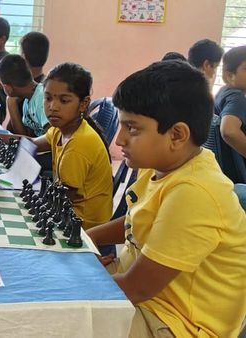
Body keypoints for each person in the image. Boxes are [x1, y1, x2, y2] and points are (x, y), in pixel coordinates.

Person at [87, 60, 246, 337]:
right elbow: (139, 217)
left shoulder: (195, 192)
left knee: (56, 316)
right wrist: (85, 238)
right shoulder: (160, 166)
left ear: (176, 135)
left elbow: (137, 288)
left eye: (132, 129)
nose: (120, 139)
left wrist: (73, 285)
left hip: (176, 324)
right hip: (146, 295)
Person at [32, 62, 113, 229]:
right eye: (48, 98)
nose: (52, 107)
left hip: (83, 227)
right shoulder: (60, 130)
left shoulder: (78, 145)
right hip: (70, 214)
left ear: (83, 104)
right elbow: (31, 144)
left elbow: (61, 200)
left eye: (64, 100)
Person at [214, 45, 246, 183]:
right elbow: (229, 131)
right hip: (238, 178)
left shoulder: (223, 92)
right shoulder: (236, 97)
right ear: (229, 75)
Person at [0, 54, 48, 137]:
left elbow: (52, 140)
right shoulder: (27, 99)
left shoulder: (42, 98)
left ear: (8, 87)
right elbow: (24, 138)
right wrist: (12, 105)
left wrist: (10, 104)